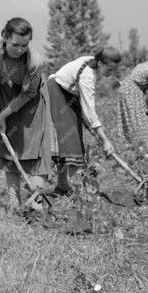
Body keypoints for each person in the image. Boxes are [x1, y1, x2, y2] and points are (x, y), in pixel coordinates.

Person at [0, 18, 51, 212]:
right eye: (15, 45)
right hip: (5, 89)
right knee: (8, 145)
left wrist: (4, 116)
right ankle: (14, 204)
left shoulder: (34, 62)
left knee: (32, 146)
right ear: (5, 37)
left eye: (25, 45)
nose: (20, 49)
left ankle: (35, 205)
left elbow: (28, 93)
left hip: (31, 99)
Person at [46, 48, 122, 196]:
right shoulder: (88, 75)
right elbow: (89, 109)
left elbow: (86, 105)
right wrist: (105, 140)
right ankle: (77, 192)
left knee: (72, 140)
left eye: (114, 70)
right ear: (100, 63)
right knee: (70, 142)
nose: (111, 73)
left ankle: (63, 185)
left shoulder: (92, 64)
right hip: (57, 92)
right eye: (109, 69)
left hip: (69, 94)